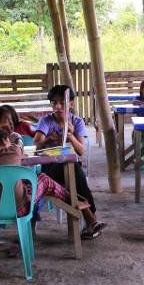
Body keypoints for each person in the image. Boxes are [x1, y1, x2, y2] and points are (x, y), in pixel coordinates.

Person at [33, 85, 106, 240]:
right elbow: (36, 144)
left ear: (71, 104)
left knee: (72, 167)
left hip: (70, 171)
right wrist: (48, 139)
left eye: (62, 103)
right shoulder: (46, 120)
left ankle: (90, 221)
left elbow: (80, 151)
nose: (58, 107)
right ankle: (91, 219)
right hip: (50, 172)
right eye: (54, 103)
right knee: (73, 169)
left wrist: (71, 136)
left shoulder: (76, 122)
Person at [0, 127, 68, 221]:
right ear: (4, 141)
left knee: (22, 183)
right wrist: (17, 137)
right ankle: (72, 201)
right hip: (17, 210)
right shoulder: (14, 151)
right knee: (44, 179)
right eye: (7, 139)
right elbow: (20, 143)